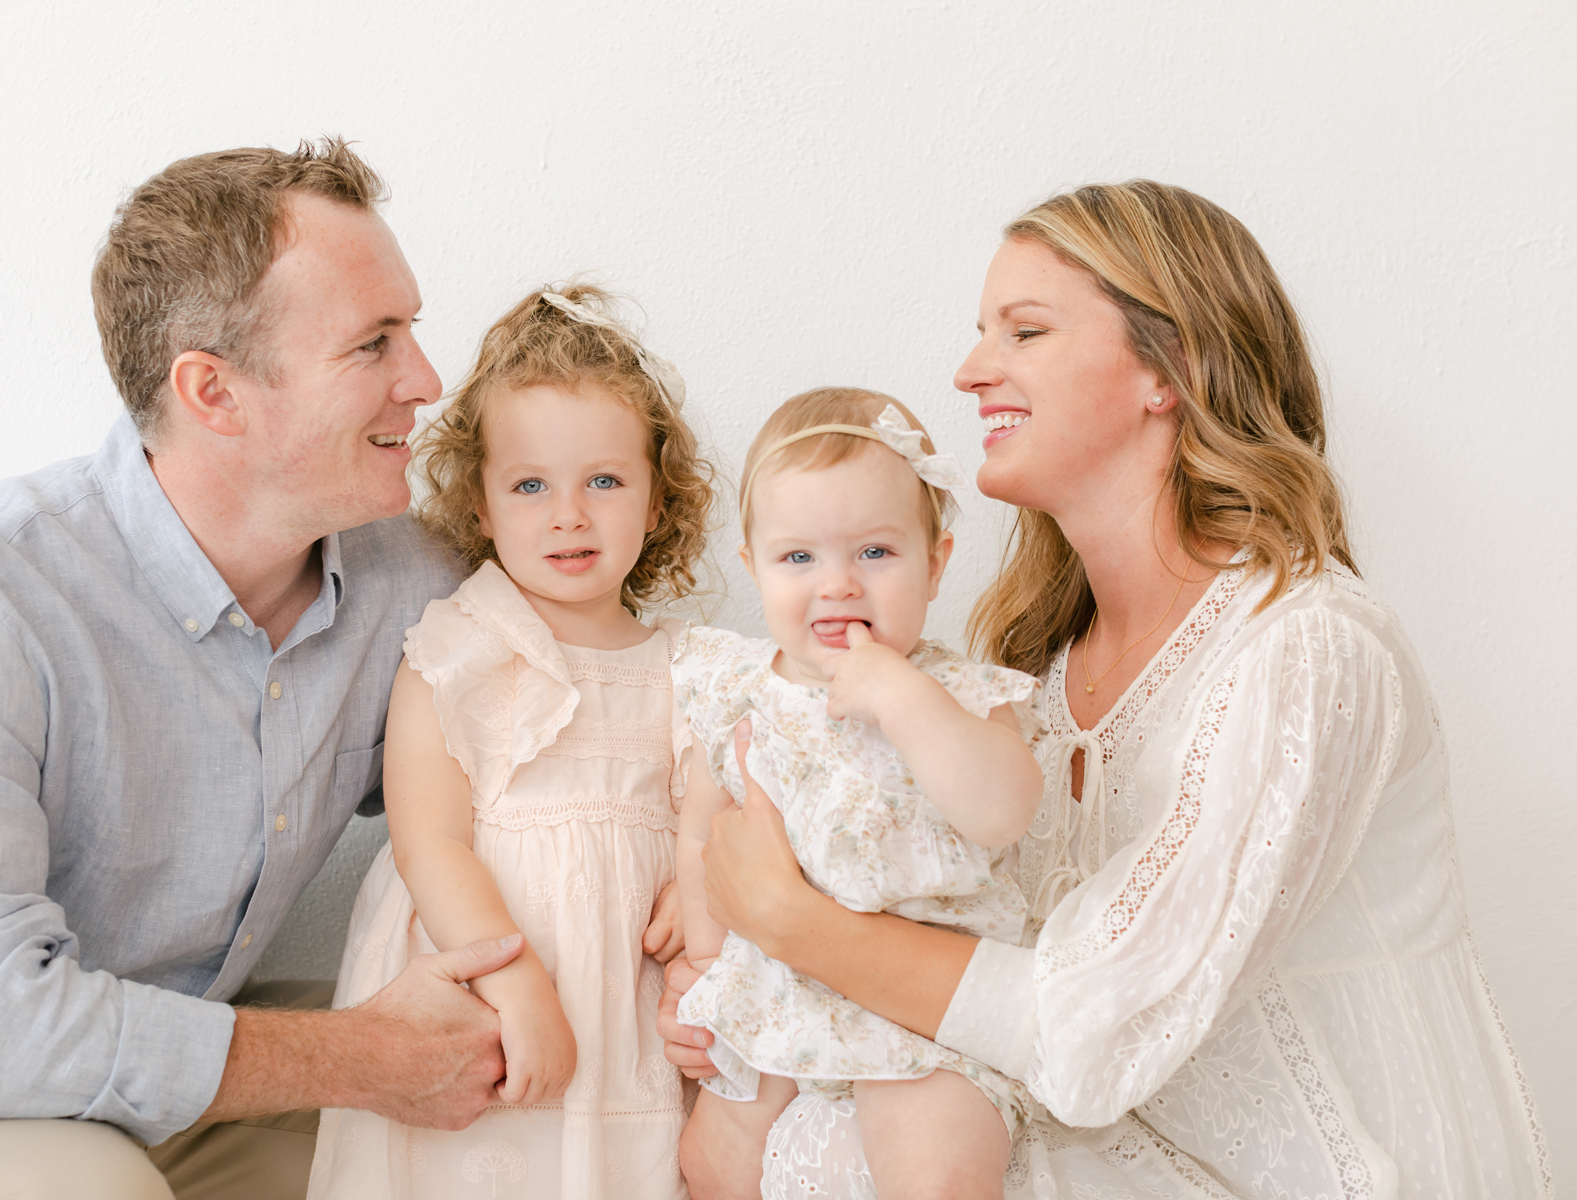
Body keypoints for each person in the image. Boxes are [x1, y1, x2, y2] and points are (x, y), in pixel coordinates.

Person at [661, 181, 1553, 1198]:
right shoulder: (1030, 671)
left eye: (1024, 331)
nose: (969, 370)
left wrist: (793, 923)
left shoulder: (1305, 652)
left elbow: (1087, 1025)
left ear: (1167, 371)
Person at [0, 139, 525, 1200]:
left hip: (192, 1064)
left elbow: (560, 763)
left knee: (542, 1127)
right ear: (213, 392)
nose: (427, 380)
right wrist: (364, 1057)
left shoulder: (414, 582)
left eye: (411, 329)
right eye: (374, 343)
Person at [306, 285, 715, 1200]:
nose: (568, 514)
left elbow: (720, 816)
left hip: (628, 1008)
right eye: (530, 485)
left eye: (604, 481)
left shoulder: (696, 670)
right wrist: (517, 984)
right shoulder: (458, 647)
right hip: (487, 976)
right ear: (482, 506)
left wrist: (701, 876)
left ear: (656, 501)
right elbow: (428, 839)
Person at [671, 389, 1044, 1200]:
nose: (836, 585)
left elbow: (1004, 809)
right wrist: (702, 961)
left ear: (936, 562)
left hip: (921, 1010)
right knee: (707, 1160)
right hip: (774, 990)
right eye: (799, 558)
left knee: (938, 1173)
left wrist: (902, 695)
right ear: (753, 568)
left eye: (875, 553)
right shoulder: (737, 691)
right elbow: (702, 823)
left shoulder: (960, 694)